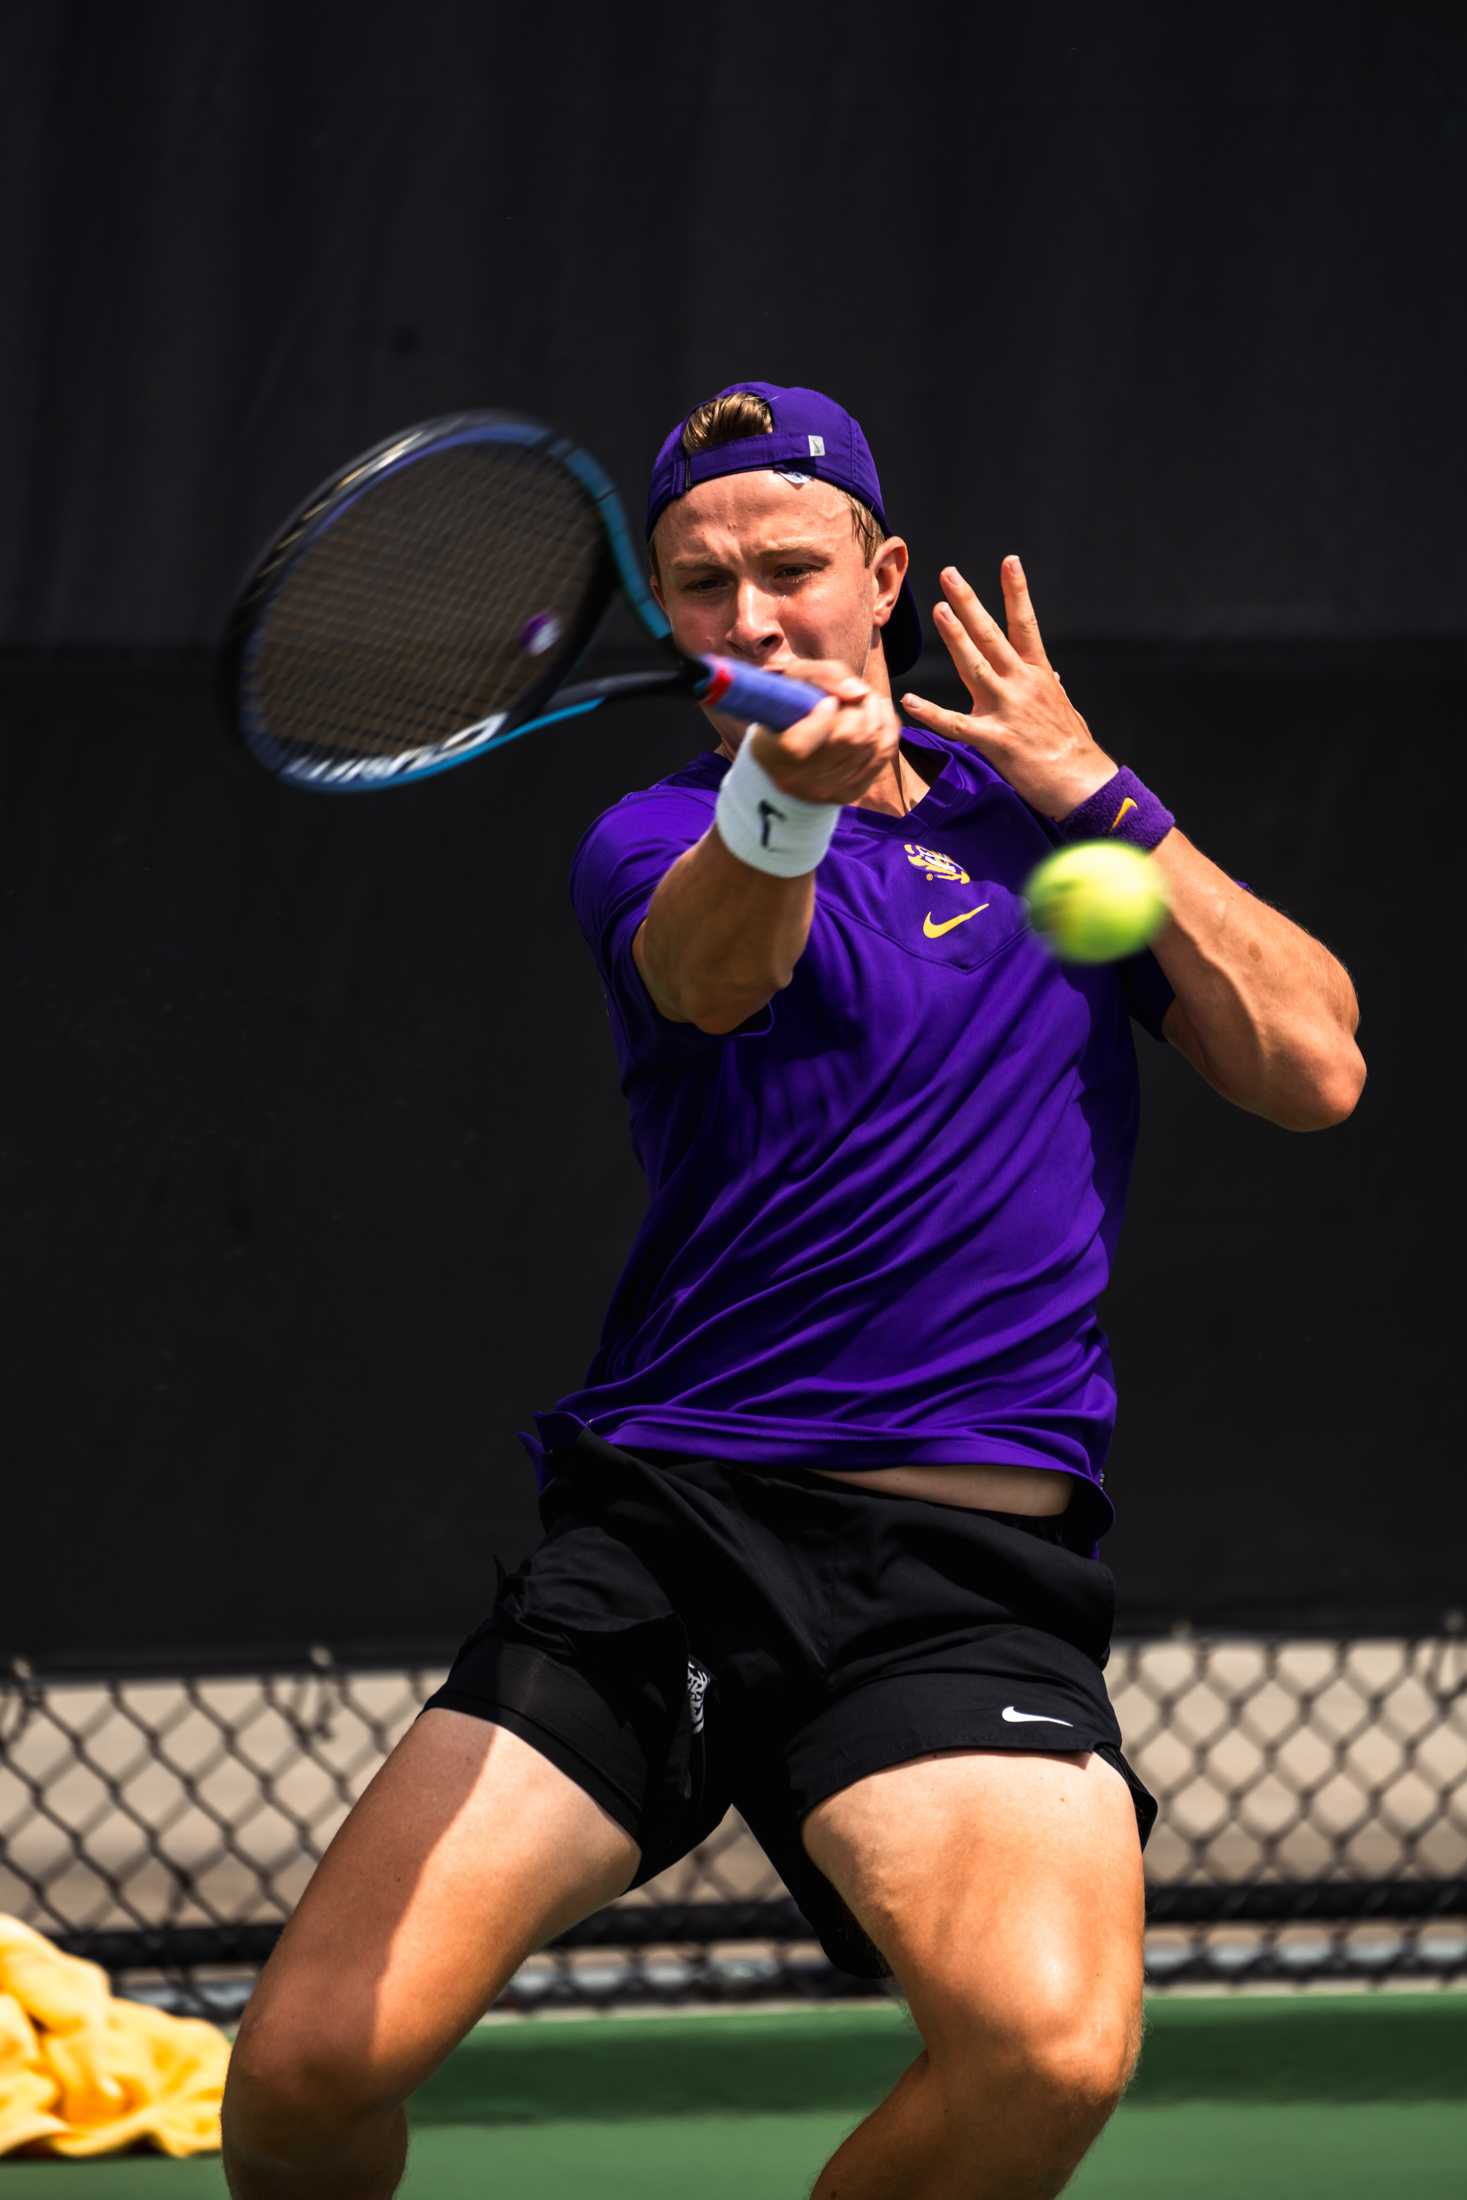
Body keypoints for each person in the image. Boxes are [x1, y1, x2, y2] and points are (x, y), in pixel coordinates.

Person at [222, 383, 1366, 2200]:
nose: (751, 618)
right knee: (302, 2075)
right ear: (665, 615)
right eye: (698, 585)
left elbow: (1313, 1066)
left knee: (1048, 2057)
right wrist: (776, 808)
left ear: (884, 575)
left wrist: (1102, 796)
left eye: (789, 568)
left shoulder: (1051, 837)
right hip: (669, 1541)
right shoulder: (659, 834)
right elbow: (711, 980)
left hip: (956, 1588)